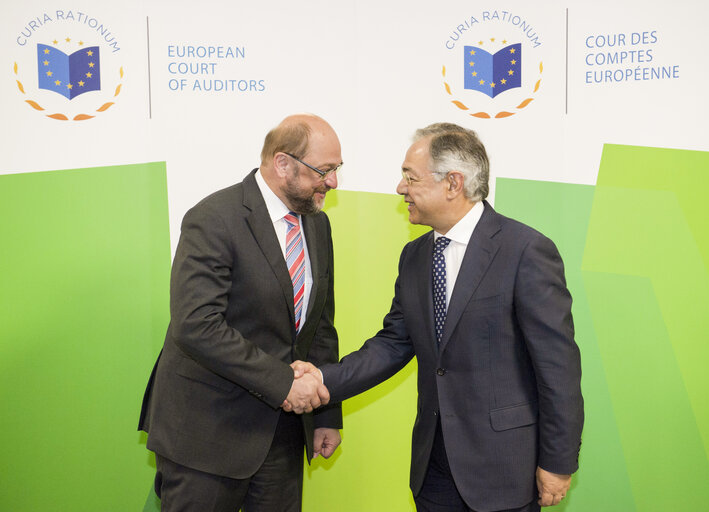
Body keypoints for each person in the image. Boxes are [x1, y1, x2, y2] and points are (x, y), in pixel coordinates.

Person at [290, 123, 584, 511]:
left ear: (453, 183)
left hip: (503, 471)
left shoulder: (525, 250)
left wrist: (558, 463)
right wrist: (323, 379)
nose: (400, 188)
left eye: (410, 177)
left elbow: (558, 368)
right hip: (434, 469)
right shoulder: (415, 257)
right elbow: (394, 343)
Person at [138, 113, 344, 512]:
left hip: (282, 436)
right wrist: (284, 383)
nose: (333, 182)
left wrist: (325, 412)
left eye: (337, 169)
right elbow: (197, 325)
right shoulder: (214, 217)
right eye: (325, 170)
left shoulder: (318, 226)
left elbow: (319, 327)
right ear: (282, 163)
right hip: (206, 435)